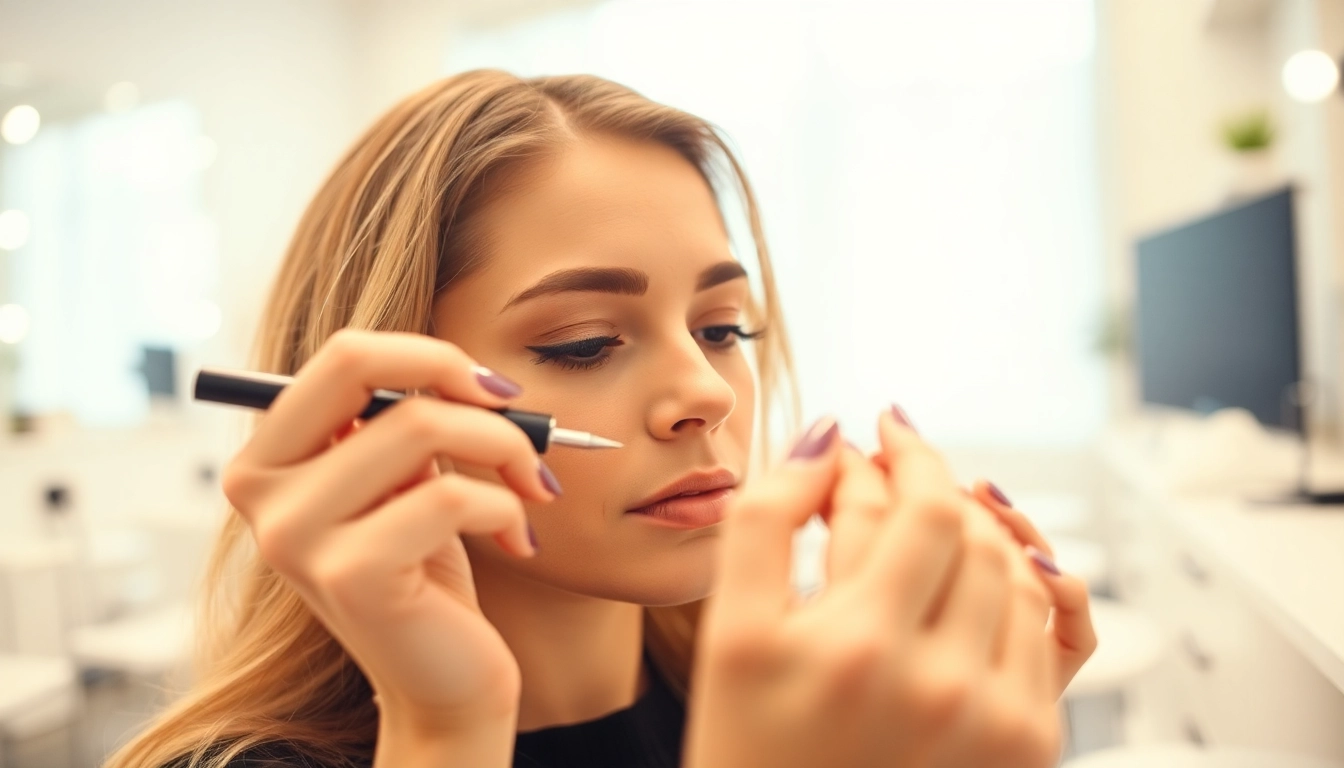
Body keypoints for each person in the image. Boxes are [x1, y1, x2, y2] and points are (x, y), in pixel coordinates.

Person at [105, 70, 1097, 768]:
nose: (706, 393)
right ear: (381, 400)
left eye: (722, 328)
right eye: (582, 343)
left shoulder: (812, 713)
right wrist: (445, 730)